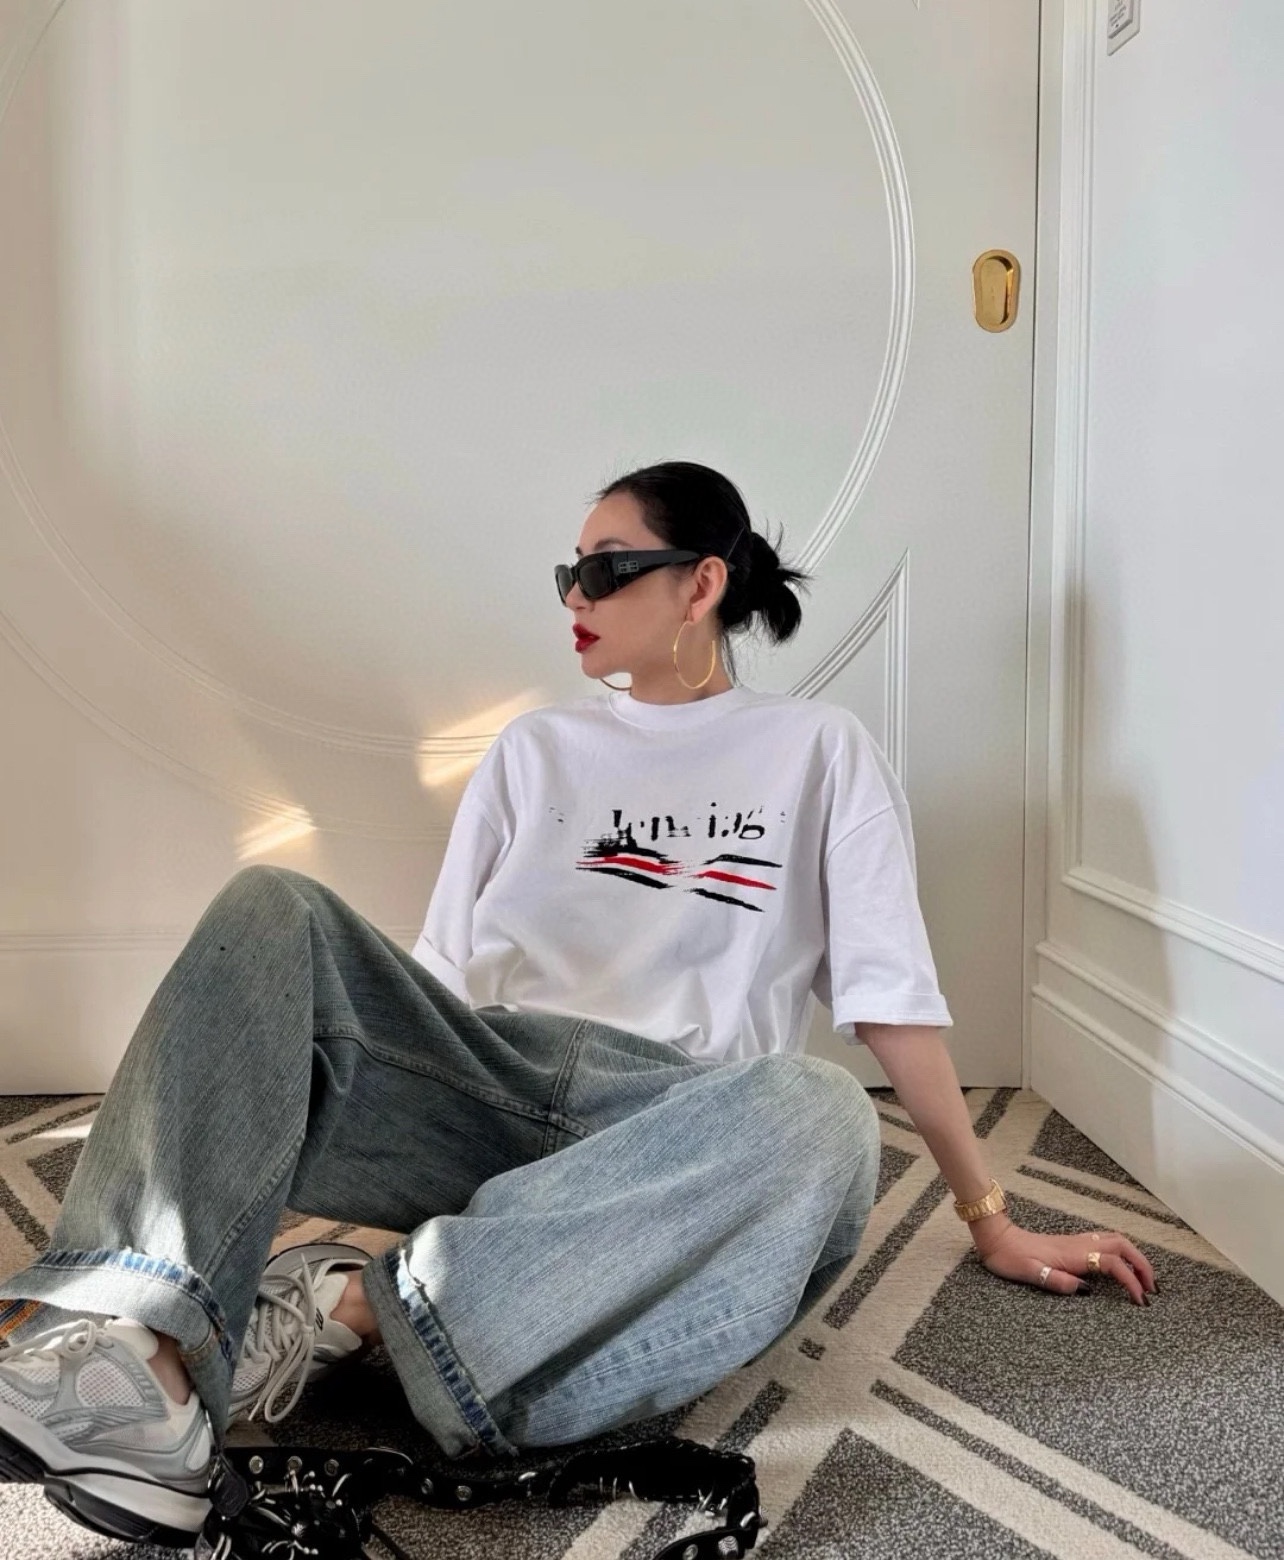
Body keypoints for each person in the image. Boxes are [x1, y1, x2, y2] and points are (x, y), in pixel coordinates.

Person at [0, 460, 1157, 1548]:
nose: (576, 595)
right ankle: (117, 1348)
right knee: (272, 908)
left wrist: (989, 1215)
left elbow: (889, 1000)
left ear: (702, 583)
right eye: (570, 572)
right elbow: (438, 978)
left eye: (607, 569)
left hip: (676, 1122)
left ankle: (356, 1311)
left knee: (824, 1114)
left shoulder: (819, 750)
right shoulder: (535, 749)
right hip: (490, 1080)